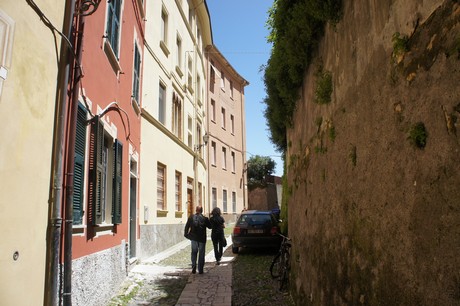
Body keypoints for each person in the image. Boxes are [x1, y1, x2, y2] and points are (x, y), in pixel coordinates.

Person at [184, 206, 211, 274]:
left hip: (193, 238)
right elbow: (210, 227)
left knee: (194, 252)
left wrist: (186, 234)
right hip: (202, 239)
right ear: (202, 211)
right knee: (201, 254)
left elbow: (187, 226)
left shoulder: (191, 217)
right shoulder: (205, 218)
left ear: (196, 210)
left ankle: (193, 267)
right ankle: (200, 269)